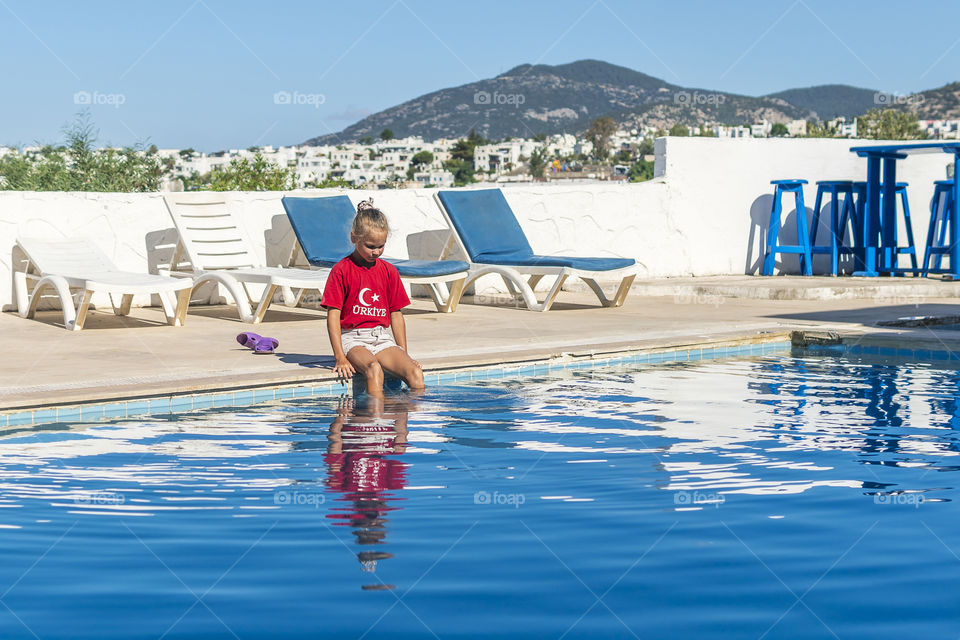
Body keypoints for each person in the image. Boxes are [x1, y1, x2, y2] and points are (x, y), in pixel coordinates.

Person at [320, 199, 425, 397]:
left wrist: (403, 353)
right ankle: (372, 419)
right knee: (374, 369)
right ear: (354, 238)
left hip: (381, 338)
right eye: (370, 246)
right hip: (353, 339)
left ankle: (405, 424)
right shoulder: (341, 270)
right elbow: (333, 316)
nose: (376, 252)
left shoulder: (389, 271)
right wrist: (340, 356)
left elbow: (396, 314)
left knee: (415, 373)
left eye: (381, 246)